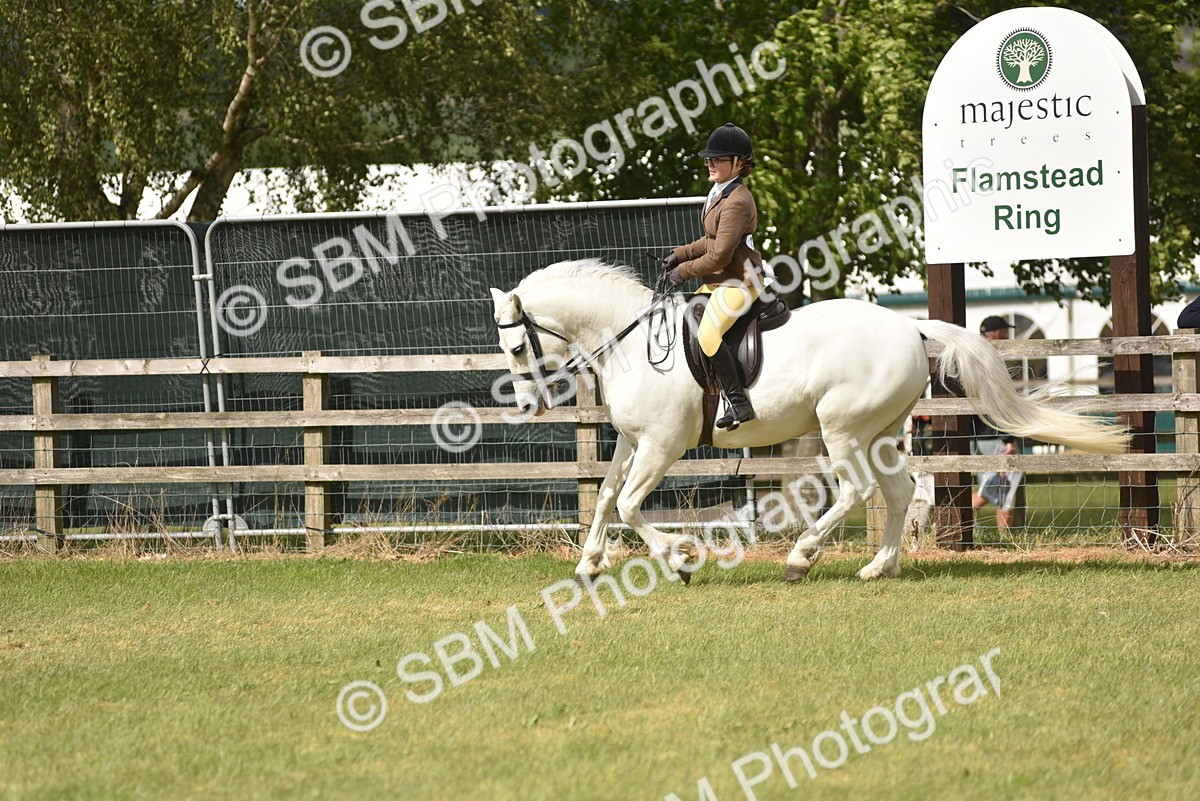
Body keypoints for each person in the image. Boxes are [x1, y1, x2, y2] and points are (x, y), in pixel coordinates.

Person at [662, 122, 765, 430]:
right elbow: (711, 241)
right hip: (721, 280)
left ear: (739, 163)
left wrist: (683, 271)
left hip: (741, 282)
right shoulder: (719, 191)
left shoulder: (736, 201)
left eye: (718, 158)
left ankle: (739, 402)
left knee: (708, 333)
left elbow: (719, 255)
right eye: (709, 158)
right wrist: (680, 253)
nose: (710, 163)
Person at [971, 315, 1024, 529]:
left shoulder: (974, 356)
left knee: (999, 486)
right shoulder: (991, 359)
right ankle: (1003, 536)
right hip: (995, 434)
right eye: (1006, 332)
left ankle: (1004, 537)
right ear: (999, 333)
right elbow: (997, 401)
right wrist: (1008, 438)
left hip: (978, 435)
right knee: (1004, 486)